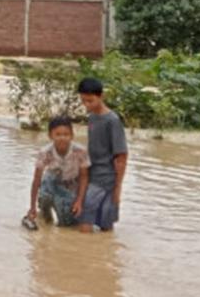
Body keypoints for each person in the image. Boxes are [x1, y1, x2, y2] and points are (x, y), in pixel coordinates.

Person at [78, 78, 128, 233]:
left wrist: (118, 187)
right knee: (104, 221)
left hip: (106, 178)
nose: (87, 105)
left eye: (90, 101)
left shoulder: (112, 121)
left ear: (101, 97)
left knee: (87, 217)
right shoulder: (92, 117)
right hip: (93, 173)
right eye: (83, 101)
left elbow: (122, 156)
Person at [24, 116, 90, 229]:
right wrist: (32, 207)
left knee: (66, 225)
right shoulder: (45, 152)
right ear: (50, 136)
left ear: (72, 135)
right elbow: (36, 180)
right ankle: (44, 214)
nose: (62, 138)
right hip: (52, 184)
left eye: (66, 134)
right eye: (58, 134)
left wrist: (79, 201)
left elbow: (84, 177)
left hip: (71, 186)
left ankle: (65, 210)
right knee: (47, 187)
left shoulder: (80, 151)